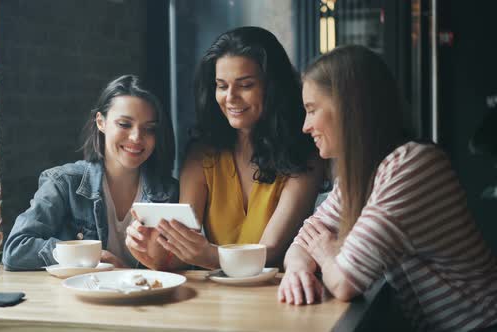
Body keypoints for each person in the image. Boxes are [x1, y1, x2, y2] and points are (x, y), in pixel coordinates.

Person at [278, 45, 497, 331]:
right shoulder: (364, 173)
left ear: (348, 107)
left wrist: (322, 250)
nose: (306, 126)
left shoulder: (413, 166)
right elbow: (302, 241)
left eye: (312, 110)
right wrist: (296, 270)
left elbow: (345, 281)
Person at [126, 26, 323, 271]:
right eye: (221, 85)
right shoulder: (202, 154)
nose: (230, 97)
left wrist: (207, 255)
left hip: (282, 296)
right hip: (217, 298)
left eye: (245, 85)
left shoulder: (304, 156)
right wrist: (149, 250)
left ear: (272, 87)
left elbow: (269, 253)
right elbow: (182, 254)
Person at [2, 75, 178, 270]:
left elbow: (184, 265)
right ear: (101, 122)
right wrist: (89, 256)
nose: (136, 137)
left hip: (148, 297)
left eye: (149, 128)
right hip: (81, 297)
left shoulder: (169, 192)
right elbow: (15, 249)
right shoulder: (65, 183)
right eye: (124, 124)